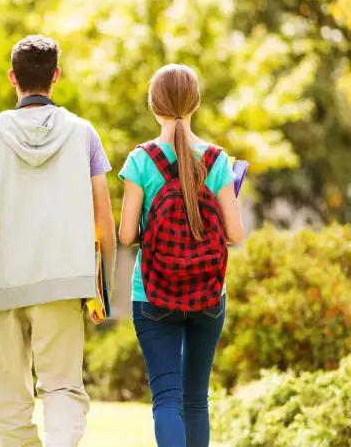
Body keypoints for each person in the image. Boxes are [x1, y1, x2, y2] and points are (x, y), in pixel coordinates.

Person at [0, 35, 116, 446]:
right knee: (63, 389)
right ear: (56, 77)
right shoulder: (84, 134)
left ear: (12, 77)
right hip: (64, 281)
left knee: (10, 403)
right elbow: (104, 215)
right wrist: (102, 285)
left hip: (4, 283)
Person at [118, 64, 244, 447]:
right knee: (195, 400)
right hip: (208, 293)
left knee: (167, 399)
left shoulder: (141, 160)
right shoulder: (217, 160)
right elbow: (235, 234)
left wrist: (153, 233)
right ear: (196, 104)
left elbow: (125, 236)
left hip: (153, 293)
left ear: (153, 106)